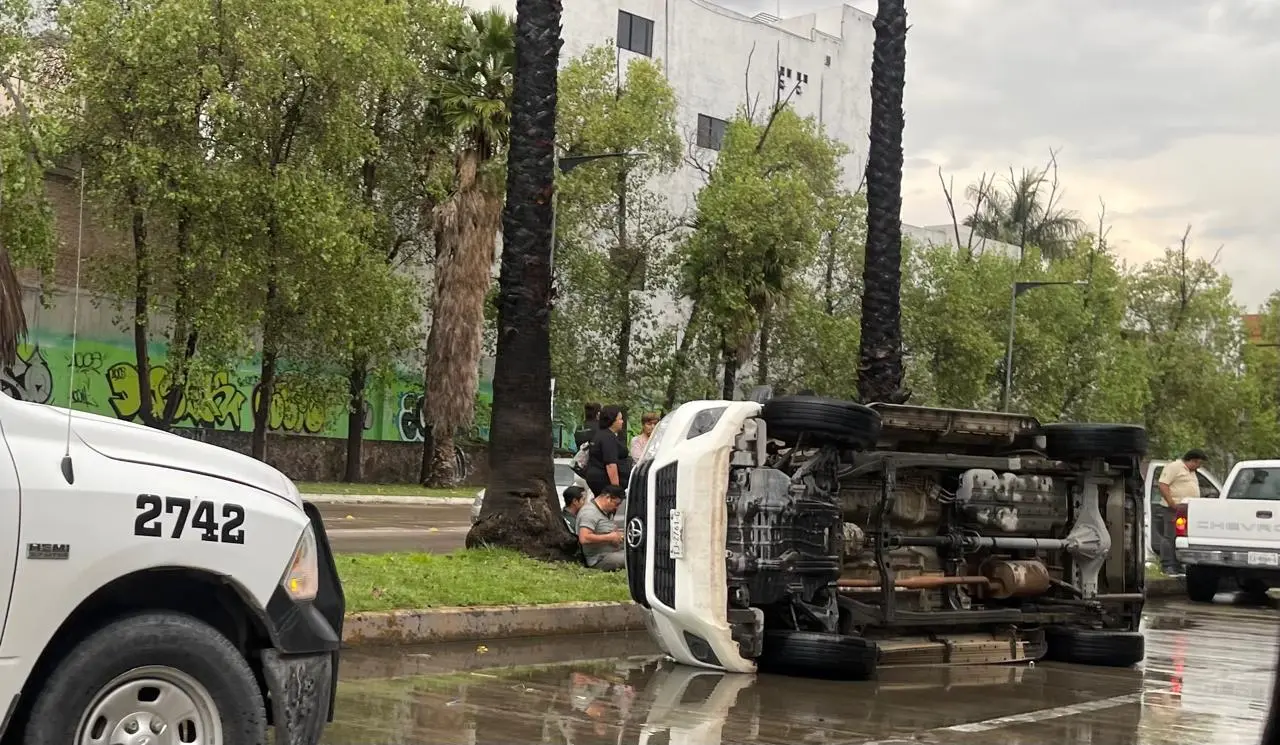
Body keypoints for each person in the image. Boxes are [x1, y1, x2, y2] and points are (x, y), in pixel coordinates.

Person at [1155, 448, 1207, 576]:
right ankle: (1167, 565)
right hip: (1173, 509)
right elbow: (1163, 485)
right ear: (1192, 460)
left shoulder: (1191, 472)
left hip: (1187, 510)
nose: (1199, 466)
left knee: (1180, 538)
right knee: (1170, 536)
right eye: (1198, 463)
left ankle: (1178, 564)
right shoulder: (1174, 467)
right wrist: (1172, 503)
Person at [577, 485, 626, 571]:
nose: (617, 507)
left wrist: (617, 538)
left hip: (613, 551)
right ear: (607, 498)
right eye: (616, 504)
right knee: (631, 559)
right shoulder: (589, 513)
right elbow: (584, 538)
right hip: (599, 558)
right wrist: (610, 537)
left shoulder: (607, 512)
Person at [584, 405, 626, 497]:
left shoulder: (599, 435)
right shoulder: (608, 438)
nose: (622, 422)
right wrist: (616, 490)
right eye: (620, 419)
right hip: (604, 479)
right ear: (612, 421)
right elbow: (611, 465)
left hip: (594, 477)